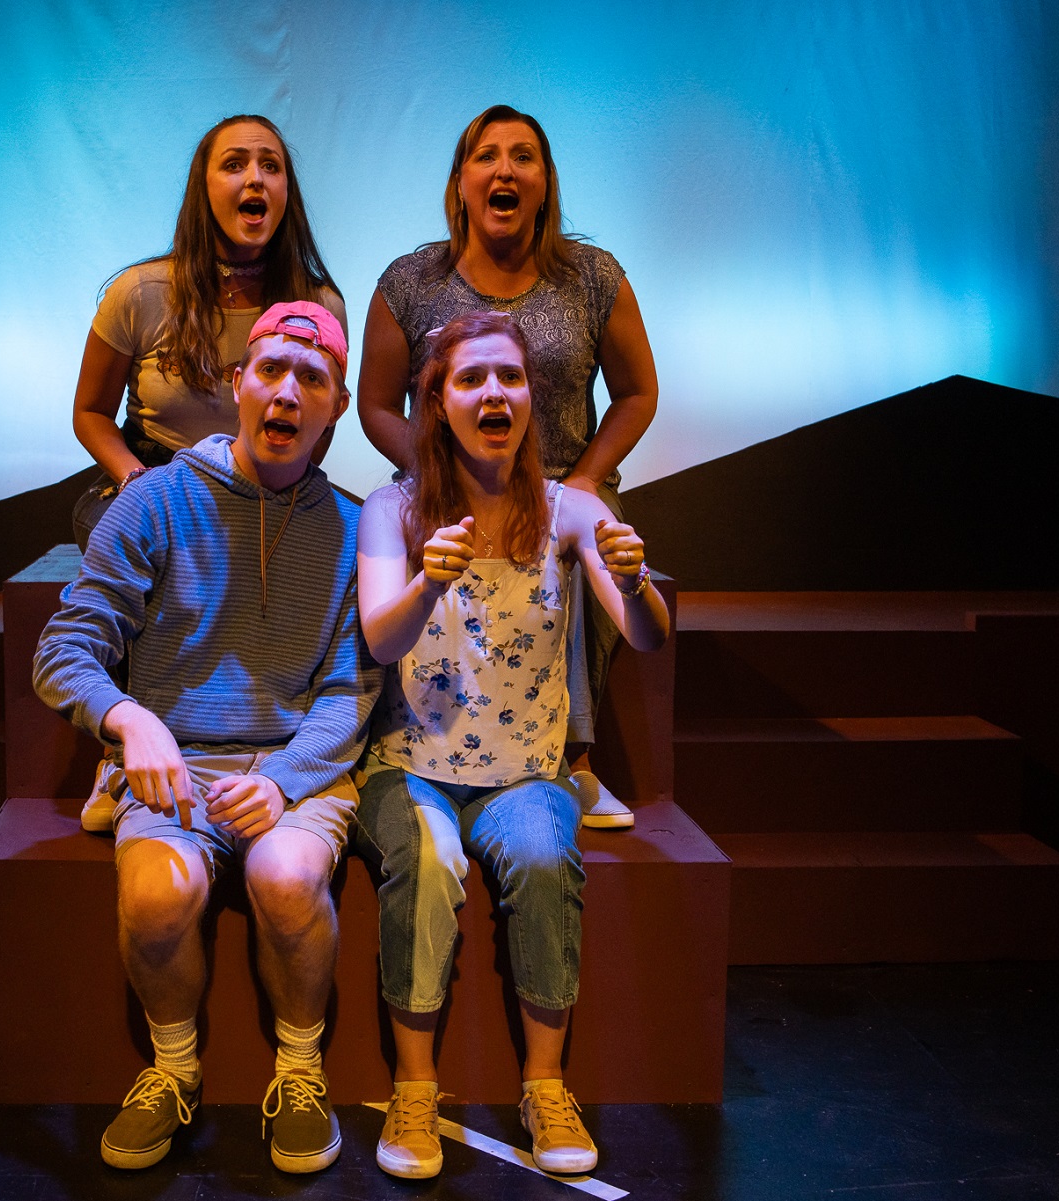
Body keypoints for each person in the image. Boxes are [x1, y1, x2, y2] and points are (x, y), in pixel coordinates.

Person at [34, 303, 379, 1174]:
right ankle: (175, 1068)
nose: (287, 391)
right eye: (270, 370)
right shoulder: (154, 501)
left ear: (335, 405)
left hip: (289, 768)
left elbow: (350, 688)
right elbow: (63, 648)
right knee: (156, 897)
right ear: (237, 384)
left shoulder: (350, 526)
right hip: (174, 769)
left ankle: (300, 1069)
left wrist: (290, 777)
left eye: (311, 378)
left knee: (287, 876)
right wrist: (127, 717)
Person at [352, 312, 670, 1180]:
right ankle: (415, 1089)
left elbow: (645, 636)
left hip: (523, 769)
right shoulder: (392, 508)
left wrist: (635, 582)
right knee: (426, 861)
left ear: (530, 395)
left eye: (510, 378)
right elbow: (380, 641)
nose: (494, 393)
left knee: (538, 856)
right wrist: (428, 578)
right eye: (470, 379)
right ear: (437, 402)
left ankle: (544, 1083)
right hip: (409, 766)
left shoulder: (571, 510)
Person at [357, 104, 660, 829]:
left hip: (563, 482)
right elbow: (373, 404)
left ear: (544, 182)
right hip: (446, 485)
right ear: (459, 182)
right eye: (485, 156)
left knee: (587, 540)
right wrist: (436, 472)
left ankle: (571, 762)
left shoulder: (591, 275)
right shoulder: (409, 279)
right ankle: (410, 754)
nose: (504, 169)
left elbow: (637, 393)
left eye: (522, 156)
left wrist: (585, 479)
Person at [69, 114, 348, 835]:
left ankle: (288, 746)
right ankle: (125, 748)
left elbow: (312, 440)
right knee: (118, 535)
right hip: (152, 482)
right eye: (234, 165)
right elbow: (91, 413)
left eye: (270, 166)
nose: (254, 179)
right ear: (204, 186)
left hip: (265, 486)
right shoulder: (139, 292)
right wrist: (134, 477)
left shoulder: (317, 302)